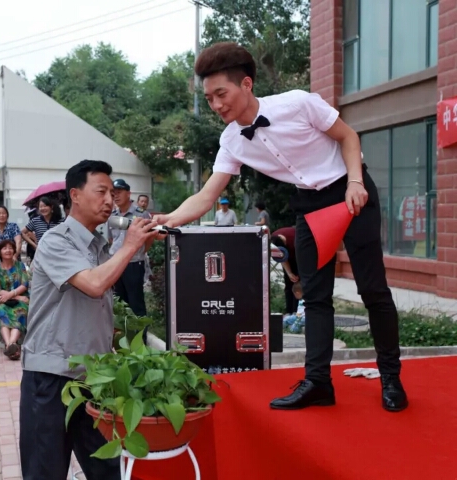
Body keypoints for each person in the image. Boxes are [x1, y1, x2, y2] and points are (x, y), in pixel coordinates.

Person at [153, 42, 406, 413]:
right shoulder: (231, 141)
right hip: (310, 205)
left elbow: (348, 137)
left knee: (373, 289)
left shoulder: (297, 103)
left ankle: (391, 378)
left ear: (247, 84)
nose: (216, 105)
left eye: (221, 94)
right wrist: (169, 218)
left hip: (350, 191)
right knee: (314, 296)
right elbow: (207, 196)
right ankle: (318, 383)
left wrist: (355, 182)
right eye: (209, 99)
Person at [20, 160, 158, 480]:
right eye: (101, 192)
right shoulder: (56, 240)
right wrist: (130, 244)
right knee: (46, 472)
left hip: (93, 378)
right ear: (75, 195)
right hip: (52, 377)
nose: (110, 200)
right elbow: (94, 285)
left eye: (112, 193)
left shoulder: (98, 245)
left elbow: (101, 296)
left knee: (108, 470)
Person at [108, 178, 152, 317]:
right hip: (116, 263)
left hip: (133, 263)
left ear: (128, 193)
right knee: (119, 301)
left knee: (135, 302)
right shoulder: (112, 216)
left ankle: (140, 330)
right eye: (113, 193)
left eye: (119, 192)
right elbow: (111, 239)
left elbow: (149, 237)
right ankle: (123, 330)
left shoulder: (140, 214)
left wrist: (140, 252)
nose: (116, 196)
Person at [0, 239, 30, 360]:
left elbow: (25, 284)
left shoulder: (20, 266)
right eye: (5, 248)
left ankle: (9, 345)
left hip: (20, 301)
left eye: (10, 248)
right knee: (1, 312)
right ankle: (11, 345)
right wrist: (16, 296)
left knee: (20, 313)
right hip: (3, 300)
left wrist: (12, 295)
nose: (8, 250)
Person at [272, 227, 299, 314]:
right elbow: (282, 258)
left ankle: (296, 311)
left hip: (299, 257)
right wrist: (289, 273)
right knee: (288, 284)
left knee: (298, 284)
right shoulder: (273, 241)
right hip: (287, 258)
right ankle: (289, 311)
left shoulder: (294, 238)